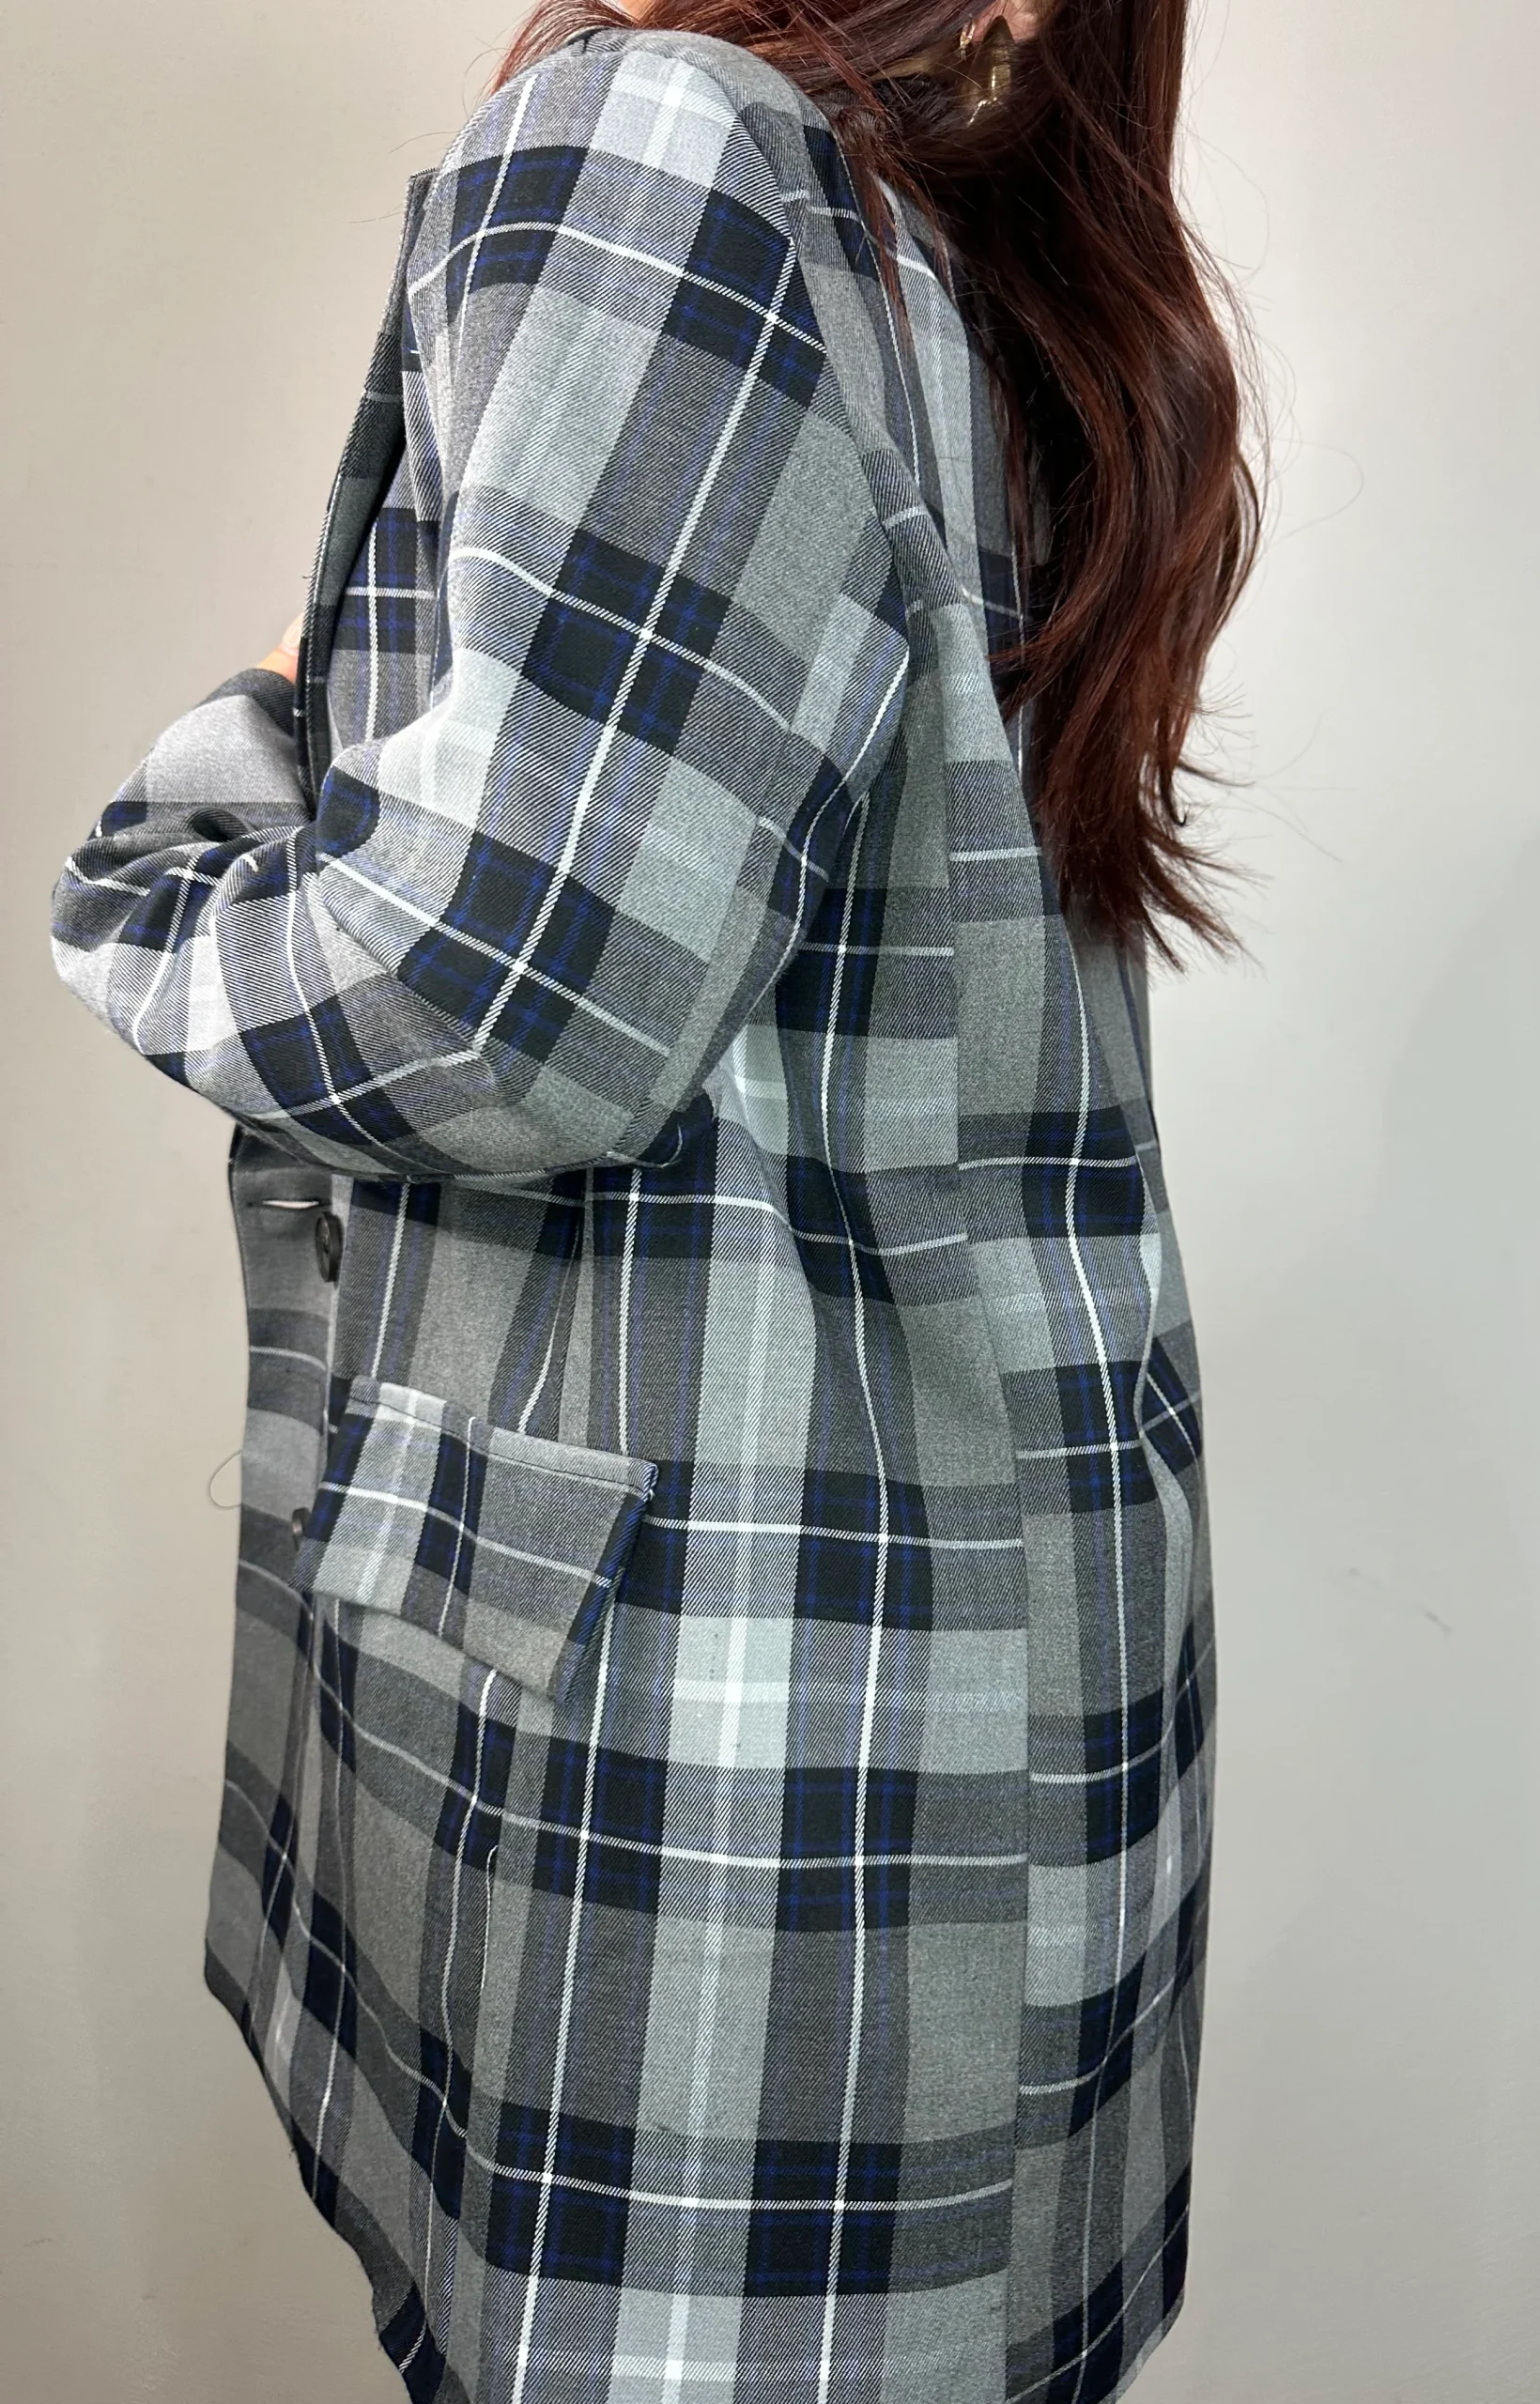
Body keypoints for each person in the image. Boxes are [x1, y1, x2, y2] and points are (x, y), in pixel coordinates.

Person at [46, 1, 1259, 2396]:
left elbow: (498, 1009)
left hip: (733, 1737)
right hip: (1004, 1681)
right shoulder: (978, 284)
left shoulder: (666, 141)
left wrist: (186, 818)